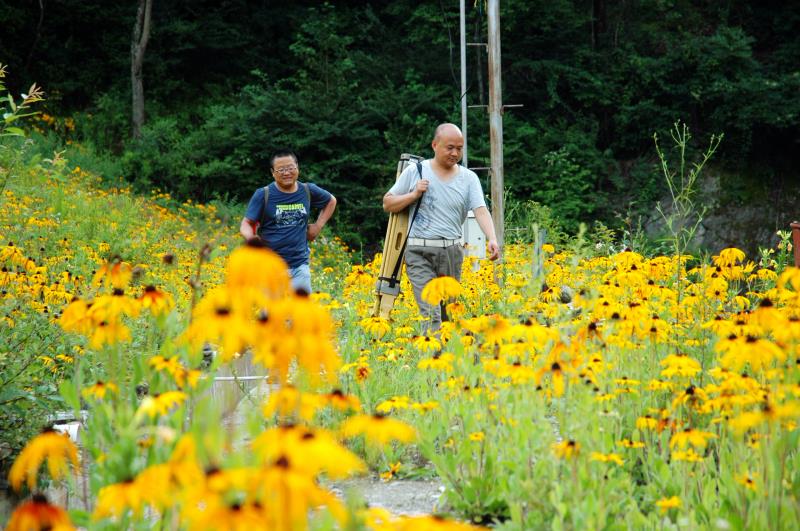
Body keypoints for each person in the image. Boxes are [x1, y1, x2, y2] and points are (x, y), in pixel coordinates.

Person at [383, 123, 500, 331]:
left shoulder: (469, 178)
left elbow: (480, 209)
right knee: (430, 311)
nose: (455, 153)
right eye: (450, 147)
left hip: (451, 254)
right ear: (435, 145)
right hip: (418, 252)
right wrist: (413, 195)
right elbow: (388, 203)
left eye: (459, 148)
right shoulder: (416, 171)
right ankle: (433, 360)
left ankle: (449, 359)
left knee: (449, 312)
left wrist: (492, 238)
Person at [240, 149, 337, 294]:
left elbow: (331, 201)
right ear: (273, 172)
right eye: (281, 170)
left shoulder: (307, 190)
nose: (286, 173)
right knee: (271, 314)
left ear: (297, 168)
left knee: (300, 312)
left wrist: (318, 226)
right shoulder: (263, 194)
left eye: (290, 168)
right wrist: (252, 239)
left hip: (300, 266)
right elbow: (246, 224)